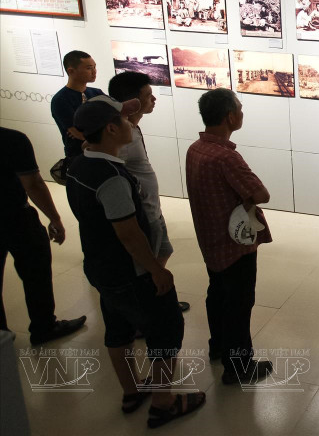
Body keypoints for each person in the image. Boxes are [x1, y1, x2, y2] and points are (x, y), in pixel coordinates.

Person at [66, 96, 204, 426]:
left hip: (101, 269)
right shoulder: (111, 176)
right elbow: (128, 232)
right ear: (111, 129)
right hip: (132, 272)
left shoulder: (79, 164)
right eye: (125, 122)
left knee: (118, 331)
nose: (131, 125)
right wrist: (156, 269)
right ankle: (163, 403)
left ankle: (132, 393)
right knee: (165, 330)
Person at [185, 89, 273, 384]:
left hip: (209, 240)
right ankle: (238, 368)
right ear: (230, 117)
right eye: (240, 108)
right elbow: (261, 194)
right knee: (239, 303)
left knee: (217, 294)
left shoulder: (196, 149)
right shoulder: (226, 157)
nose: (242, 113)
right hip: (234, 245)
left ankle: (218, 346)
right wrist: (247, 201)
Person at [108, 72, 189, 314]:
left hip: (152, 207)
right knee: (147, 264)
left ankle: (153, 300)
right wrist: (140, 195)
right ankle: (148, 310)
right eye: (148, 96)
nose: (154, 99)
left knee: (163, 250)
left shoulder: (131, 129)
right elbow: (114, 170)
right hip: (144, 211)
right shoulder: (124, 135)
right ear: (131, 102)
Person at [0, 126, 86, 344]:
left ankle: (2, 338)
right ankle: (44, 327)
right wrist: (55, 218)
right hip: (14, 216)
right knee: (35, 273)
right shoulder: (12, 139)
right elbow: (33, 184)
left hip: (14, 216)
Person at [50, 51, 105, 181]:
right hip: (78, 156)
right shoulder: (60, 99)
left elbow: (112, 119)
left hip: (101, 153)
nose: (94, 71)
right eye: (88, 68)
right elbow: (76, 132)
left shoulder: (96, 93)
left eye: (94, 67)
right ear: (71, 71)